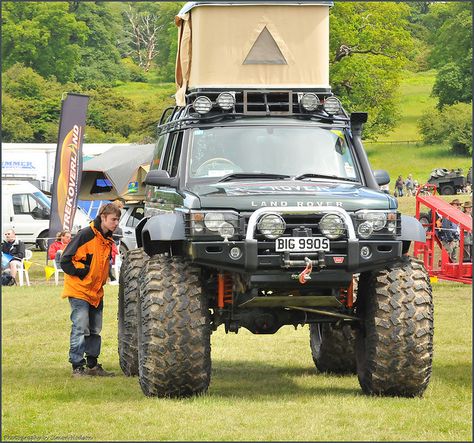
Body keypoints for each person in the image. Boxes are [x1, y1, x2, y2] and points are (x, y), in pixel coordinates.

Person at [60, 203, 121, 377]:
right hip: (79, 290)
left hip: (96, 292)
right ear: (103, 217)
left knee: (95, 330)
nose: (116, 223)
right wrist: (83, 271)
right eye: (113, 219)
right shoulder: (86, 234)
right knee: (80, 328)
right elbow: (65, 260)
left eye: (117, 219)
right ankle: (77, 367)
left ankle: (93, 365)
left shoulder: (108, 239)